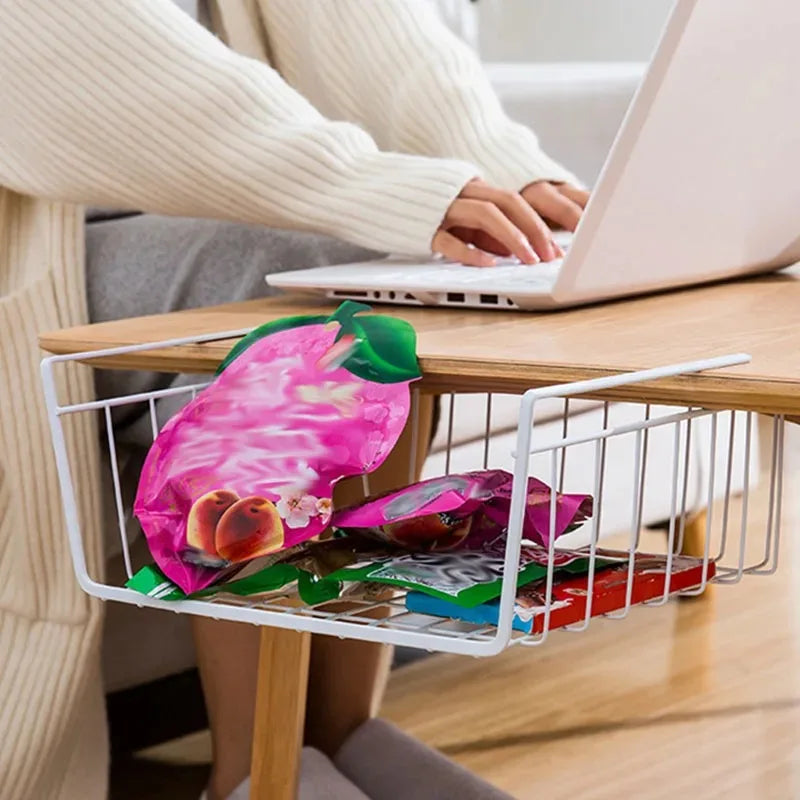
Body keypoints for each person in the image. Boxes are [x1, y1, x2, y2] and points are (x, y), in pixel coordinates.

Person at [0, 1, 589, 798]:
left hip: (209, 203)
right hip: (38, 227)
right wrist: (375, 183)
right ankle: (256, 773)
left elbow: (362, 21)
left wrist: (504, 175)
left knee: (393, 297)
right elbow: (76, 45)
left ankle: (344, 739)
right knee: (318, 301)